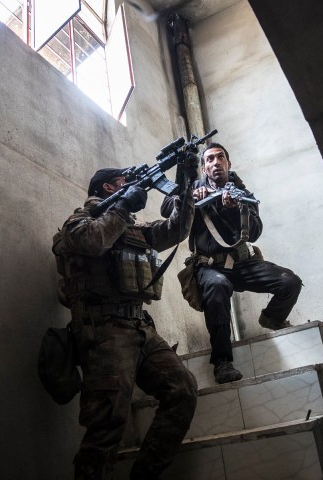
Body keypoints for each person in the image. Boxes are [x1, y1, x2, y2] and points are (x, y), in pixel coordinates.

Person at [53, 166, 199, 479]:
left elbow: (175, 230)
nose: (133, 186)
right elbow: (90, 241)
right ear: (108, 188)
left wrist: (185, 184)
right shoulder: (79, 220)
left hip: (140, 328)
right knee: (107, 424)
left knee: (182, 390)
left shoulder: (134, 229)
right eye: (124, 182)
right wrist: (122, 207)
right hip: (104, 330)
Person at [163, 143, 302, 384]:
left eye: (220, 157)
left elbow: (255, 232)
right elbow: (166, 209)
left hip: (242, 264)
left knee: (289, 282)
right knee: (217, 286)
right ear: (204, 168)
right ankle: (222, 362)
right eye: (209, 159)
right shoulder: (193, 187)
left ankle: (272, 317)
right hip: (209, 267)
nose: (216, 162)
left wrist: (234, 210)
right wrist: (189, 196)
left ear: (228, 163)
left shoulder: (241, 193)